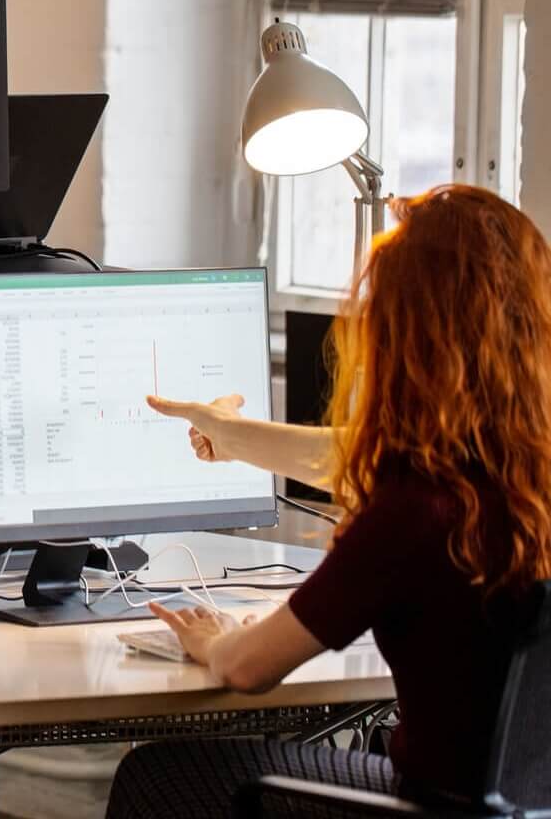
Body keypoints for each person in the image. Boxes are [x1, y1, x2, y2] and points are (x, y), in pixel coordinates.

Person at [108, 185, 551, 815]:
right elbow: (350, 453)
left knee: (156, 775)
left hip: (427, 805)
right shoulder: (519, 471)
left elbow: (247, 670)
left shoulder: (414, 512)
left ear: (408, 332)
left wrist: (217, 637)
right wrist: (231, 436)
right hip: (519, 807)